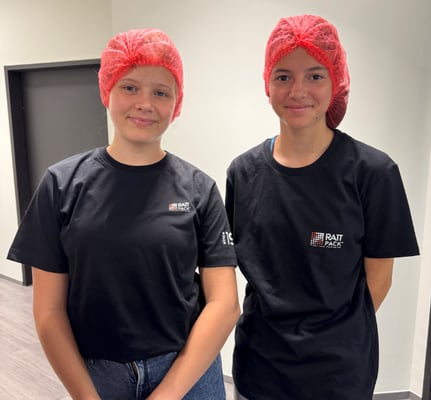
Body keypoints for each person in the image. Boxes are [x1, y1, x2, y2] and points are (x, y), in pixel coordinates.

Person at [7, 28, 240, 400]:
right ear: (107, 91)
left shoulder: (199, 189)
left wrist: (168, 393)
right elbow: (49, 311)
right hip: (98, 375)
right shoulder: (61, 185)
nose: (145, 103)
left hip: (187, 371)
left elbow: (224, 303)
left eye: (161, 92)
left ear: (176, 103)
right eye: (130, 87)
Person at [225, 14, 420, 400]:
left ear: (336, 83)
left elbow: (379, 281)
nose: (298, 90)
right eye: (283, 76)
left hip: (339, 376)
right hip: (259, 369)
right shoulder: (243, 173)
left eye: (315, 76)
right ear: (267, 84)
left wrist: (333, 339)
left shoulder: (373, 173)